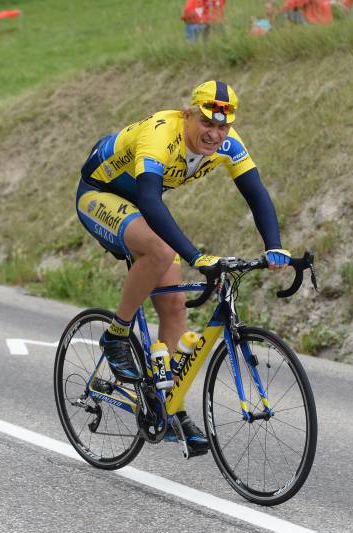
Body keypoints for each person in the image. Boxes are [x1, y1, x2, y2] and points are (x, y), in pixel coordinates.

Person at [76, 80, 292, 455]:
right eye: (208, 123)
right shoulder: (162, 131)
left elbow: (256, 193)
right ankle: (116, 334)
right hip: (101, 193)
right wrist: (194, 256)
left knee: (175, 307)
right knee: (160, 252)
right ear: (189, 114)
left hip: (145, 205)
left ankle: (168, 408)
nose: (215, 134)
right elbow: (147, 196)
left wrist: (274, 246)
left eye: (223, 126)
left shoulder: (228, 143)